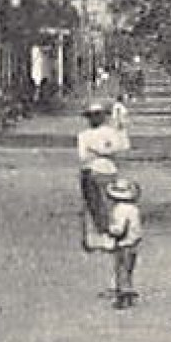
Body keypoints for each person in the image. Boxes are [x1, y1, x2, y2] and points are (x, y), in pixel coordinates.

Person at [76, 102, 123, 252]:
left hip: (107, 171)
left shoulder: (110, 132)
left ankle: (109, 235)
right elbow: (83, 156)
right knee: (93, 204)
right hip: (91, 171)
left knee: (107, 203)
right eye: (92, 116)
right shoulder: (84, 135)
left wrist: (96, 150)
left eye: (98, 115)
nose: (95, 118)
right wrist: (103, 151)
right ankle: (96, 237)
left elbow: (116, 148)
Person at [106, 177, 143, 310]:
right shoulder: (134, 209)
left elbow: (119, 229)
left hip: (123, 243)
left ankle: (122, 296)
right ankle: (128, 293)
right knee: (128, 269)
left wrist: (110, 230)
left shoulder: (119, 210)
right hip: (134, 243)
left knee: (120, 269)